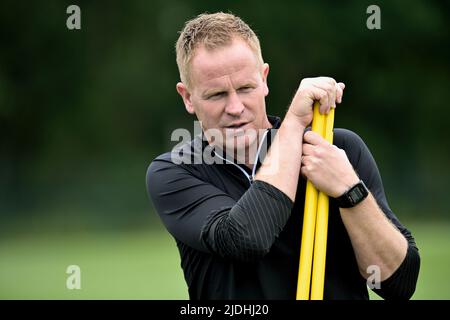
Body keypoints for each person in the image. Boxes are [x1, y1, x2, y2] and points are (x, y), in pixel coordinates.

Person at [146, 12, 420, 300]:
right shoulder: (176, 170)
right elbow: (246, 239)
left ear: (264, 78)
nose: (235, 107)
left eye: (245, 88)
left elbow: (398, 284)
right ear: (187, 97)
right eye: (217, 95)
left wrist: (351, 191)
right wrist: (293, 124)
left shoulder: (335, 149)